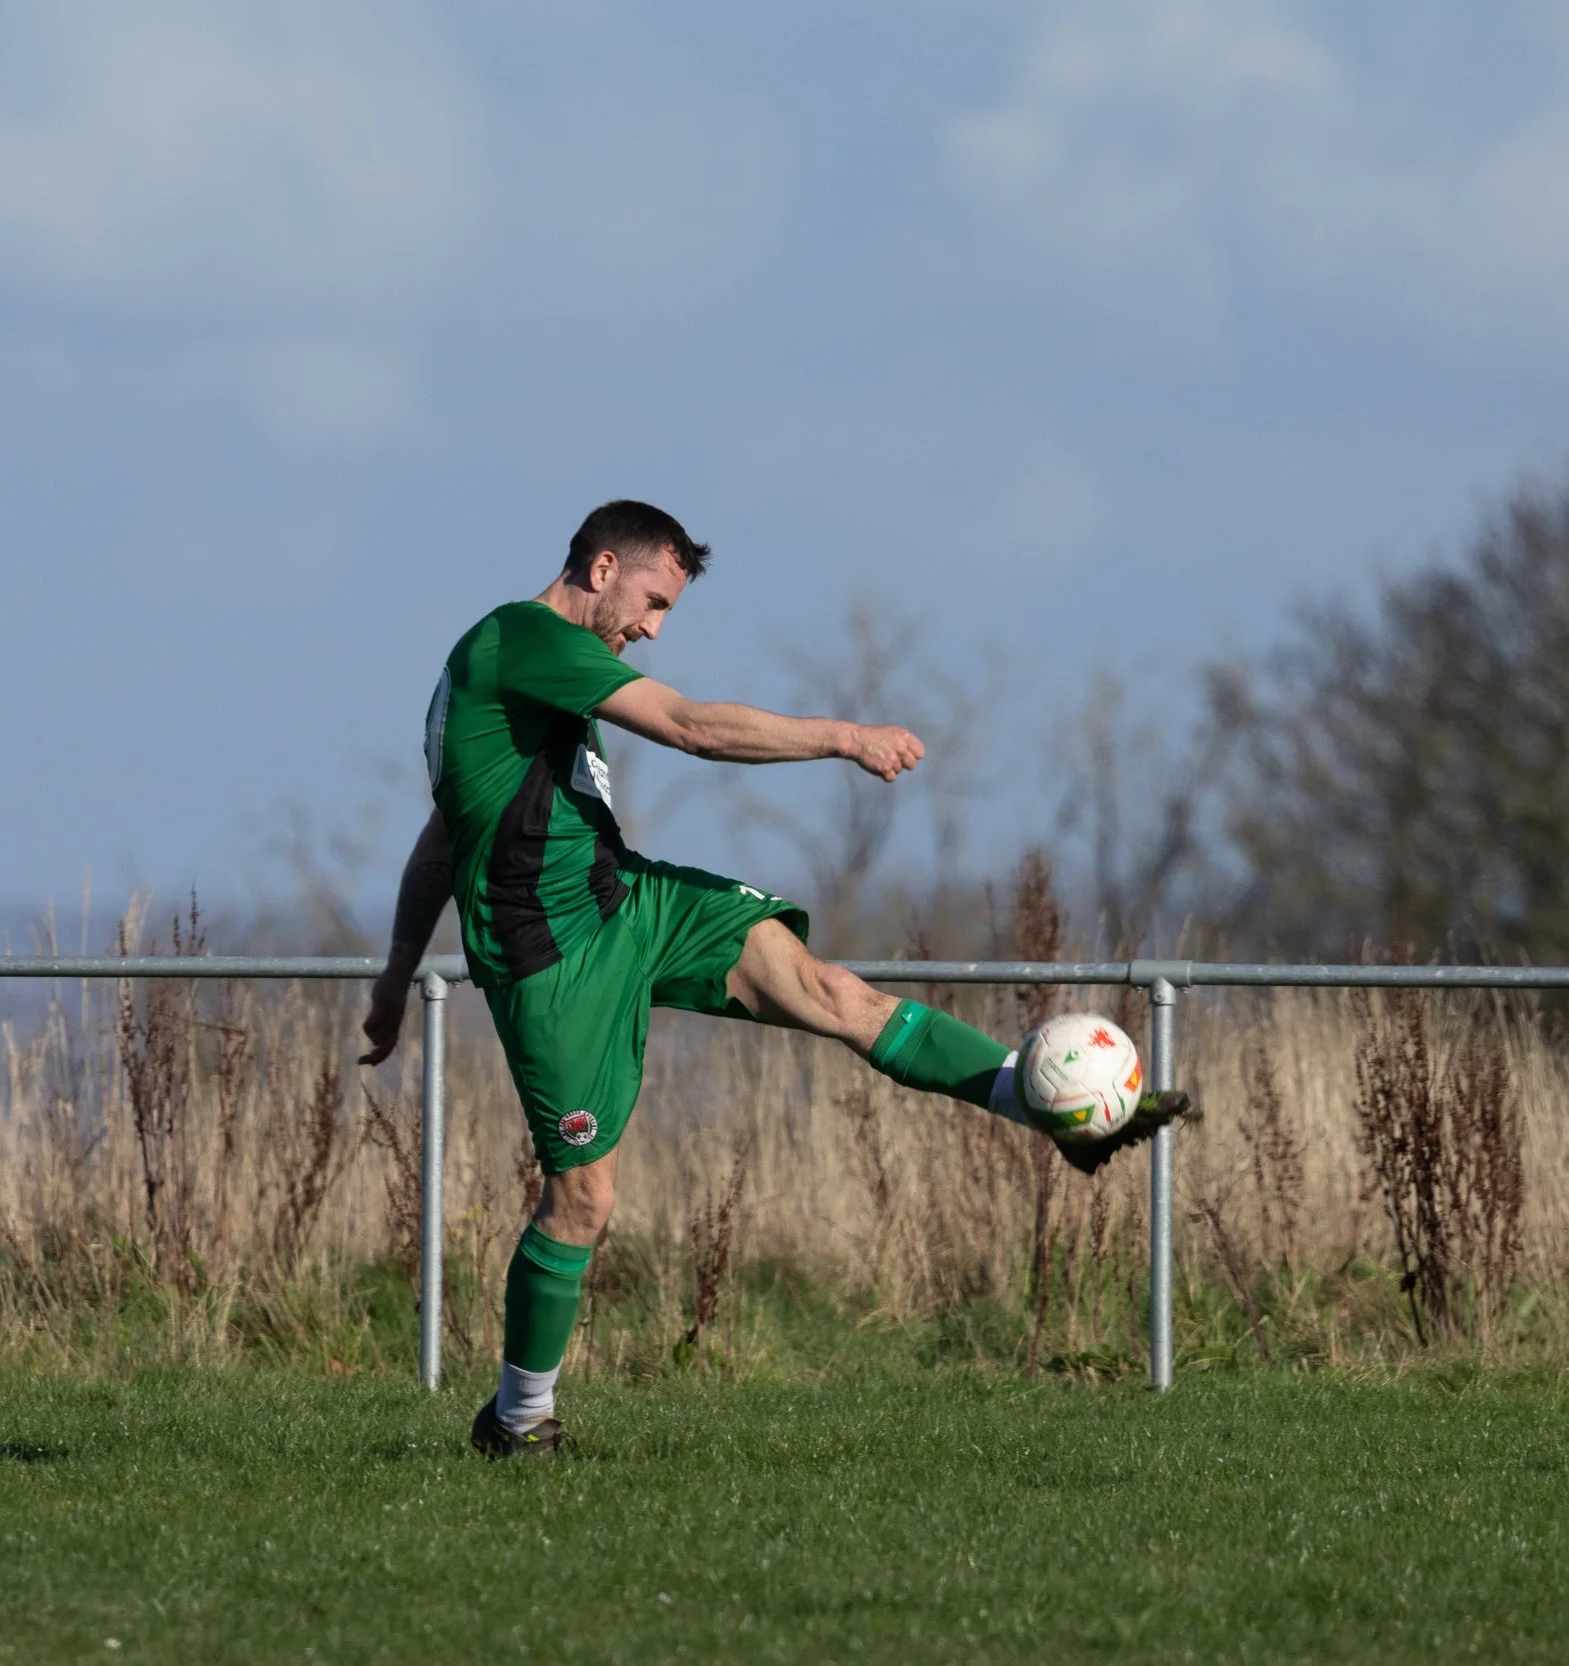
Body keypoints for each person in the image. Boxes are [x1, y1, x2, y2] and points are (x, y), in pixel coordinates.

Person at [359, 502, 1187, 1458]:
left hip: (629, 901)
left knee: (832, 991)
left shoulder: (535, 667)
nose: (652, 629)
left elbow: (436, 846)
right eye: (652, 600)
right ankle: (517, 1420)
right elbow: (689, 727)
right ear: (599, 566)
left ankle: (1043, 1109)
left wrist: (393, 973)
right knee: (584, 1200)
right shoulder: (518, 638)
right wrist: (845, 736)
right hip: (552, 954)